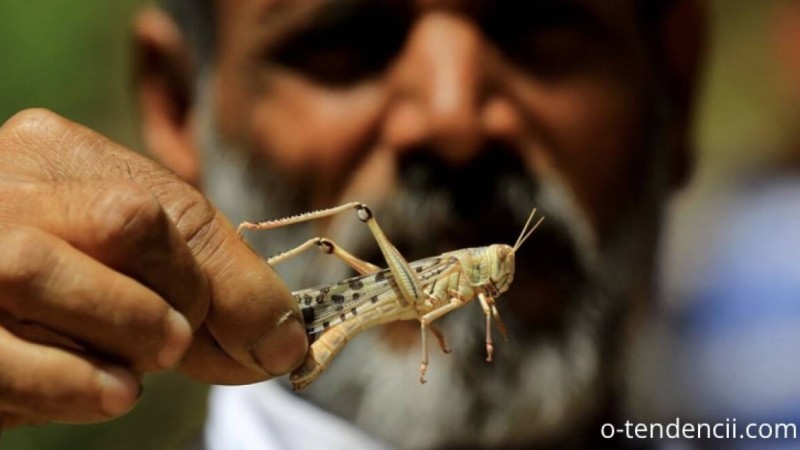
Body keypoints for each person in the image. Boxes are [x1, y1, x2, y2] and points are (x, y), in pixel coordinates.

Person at [0, 0, 706, 448]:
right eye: (346, 40)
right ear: (181, 103)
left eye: (537, 25)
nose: (452, 116)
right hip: (373, 295)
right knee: (355, 229)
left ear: (676, 84)